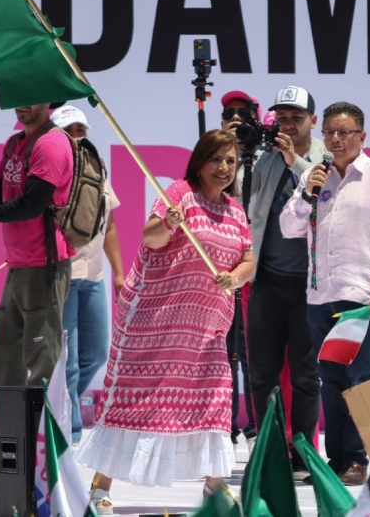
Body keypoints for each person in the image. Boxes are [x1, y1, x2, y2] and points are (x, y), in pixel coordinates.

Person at [76, 129, 254, 511]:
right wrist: (170, 222)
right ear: (200, 162)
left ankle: (215, 487)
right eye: (216, 160)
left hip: (206, 331)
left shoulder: (236, 210)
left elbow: (248, 259)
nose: (224, 168)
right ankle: (100, 488)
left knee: (212, 401)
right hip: (157, 323)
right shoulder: (178, 193)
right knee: (135, 399)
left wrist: (235, 277)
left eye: (231, 162)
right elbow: (151, 238)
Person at [280, 101, 370, 486]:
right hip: (320, 296)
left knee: (357, 379)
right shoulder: (313, 177)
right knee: (329, 380)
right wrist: (307, 195)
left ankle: (356, 458)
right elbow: (289, 227)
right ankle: (337, 461)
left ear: (361, 137)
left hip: (360, 295)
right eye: (330, 133)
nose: (335, 140)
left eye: (344, 133)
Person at [0, 104, 75, 463]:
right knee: (3, 357)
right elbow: (1, 195)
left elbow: (34, 204)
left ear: (48, 102)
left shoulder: (51, 143)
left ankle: (41, 446)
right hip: (20, 264)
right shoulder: (14, 144)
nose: (24, 105)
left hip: (45, 265)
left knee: (42, 361)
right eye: (20, 98)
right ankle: (10, 438)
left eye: (33, 98)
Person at [241, 86, 326, 478]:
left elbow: (324, 198)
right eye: (282, 117)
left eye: (296, 117)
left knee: (306, 374)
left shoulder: (329, 157)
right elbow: (247, 202)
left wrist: (295, 160)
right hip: (268, 280)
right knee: (261, 371)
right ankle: (272, 446)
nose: (288, 125)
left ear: (313, 119)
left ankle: (304, 453)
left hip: (310, 286)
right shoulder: (264, 159)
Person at [50, 104, 125, 446]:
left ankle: (52, 411)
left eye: (80, 130)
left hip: (92, 276)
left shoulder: (97, 170)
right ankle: (71, 433)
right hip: (62, 274)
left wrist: (119, 274)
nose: (76, 136)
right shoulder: (49, 171)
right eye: (69, 131)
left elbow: (108, 226)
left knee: (94, 354)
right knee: (67, 361)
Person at [218, 90, 260, 450]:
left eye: (242, 114)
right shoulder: (216, 160)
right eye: (228, 114)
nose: (235, 119)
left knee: (254, 354)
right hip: (220, 272)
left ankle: (259, 428)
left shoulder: (264, 157)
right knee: (223, 354)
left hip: (257, 271)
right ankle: (223, 427)